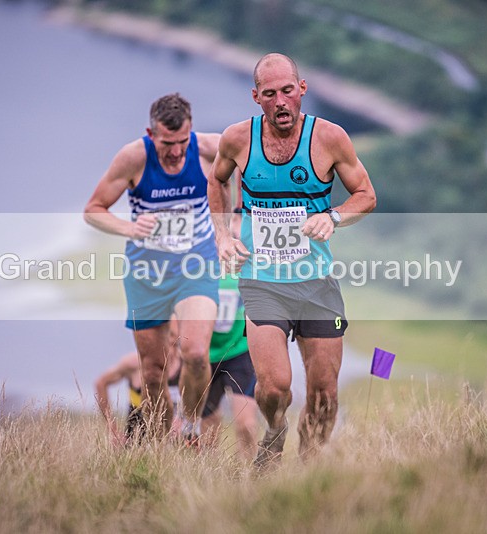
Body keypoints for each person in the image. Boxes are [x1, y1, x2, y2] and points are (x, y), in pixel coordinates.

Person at [207, 53, 377, 468]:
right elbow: (218, 178)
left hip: (316, 282)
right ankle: (276, 428)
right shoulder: (237, 139)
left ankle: (309, 466)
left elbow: (367, 196)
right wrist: (223, 234)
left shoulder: (329, 138)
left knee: (324, 394)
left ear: (302, 90)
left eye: (287, 91)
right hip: (262, 280)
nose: (281, 101)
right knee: (275, 387)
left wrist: (332, 217)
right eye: (270, 94)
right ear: (256, 97)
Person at [84, 93, 219, 442]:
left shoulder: (208, 148)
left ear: (191, 131)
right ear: (150, 132)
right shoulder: (133, 158)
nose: (175, 152)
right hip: (148, 274)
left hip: (196, 264)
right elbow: (94, 209)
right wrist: (129, 228)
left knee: (195, 352)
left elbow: (251, 162)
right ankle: (160, 445)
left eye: (181, 142)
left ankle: (190, 427)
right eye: (166, 143)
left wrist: (230, 220)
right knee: (154, 372)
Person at [200, 211, 259, 459]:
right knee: (208, 426)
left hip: (239, 353)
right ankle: (206, 475)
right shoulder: (198, 268)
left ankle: (251, 473)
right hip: (206, 354)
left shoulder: (249, 263)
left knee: (245, 424)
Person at [94, 317, 183, 446]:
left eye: (171, 334)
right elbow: (101, 383)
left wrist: (185, 424)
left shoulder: (188, 365)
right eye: (161, 333)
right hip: (136, 444)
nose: (166, 339)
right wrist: (112, 432)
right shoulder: (135, 363)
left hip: (175, 446)